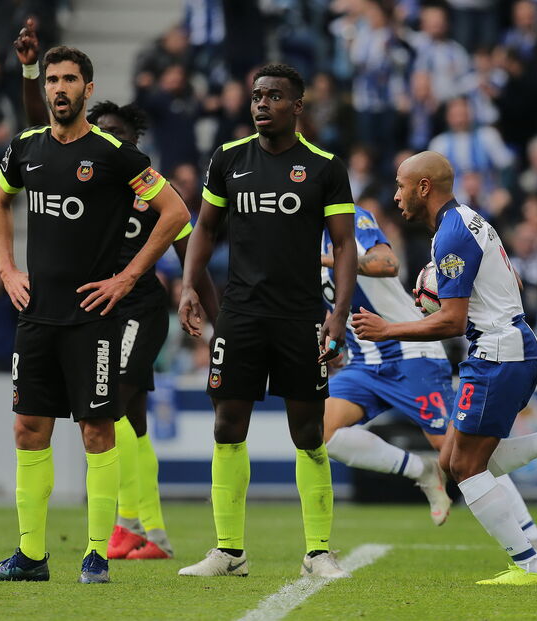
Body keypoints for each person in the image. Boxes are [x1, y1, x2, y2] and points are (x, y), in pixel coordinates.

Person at [0, 46, 190, 584]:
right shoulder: (25, 148)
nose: (60, 88)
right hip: (36, 316)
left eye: (70, 79)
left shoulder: (114, 153)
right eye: (52, 80)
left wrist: (127, 277)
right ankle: (29, 556)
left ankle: (96, 554)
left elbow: (177, 212)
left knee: (97, 430)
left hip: (92, 318)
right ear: (44, 88)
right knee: (28, 428)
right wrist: (6, 268)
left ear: (88, 90)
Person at [14, 20, 219, 561]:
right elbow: (41, 135)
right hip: (92, 307)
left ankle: (127, 525)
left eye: (119, 136)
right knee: (133, 420)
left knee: (117, 406)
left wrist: (196, 297)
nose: (110, 142)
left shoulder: (127, 173)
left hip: (136, 306)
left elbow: (182, 235)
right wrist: (30, 73)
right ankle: (150, 528)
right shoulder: (76, 164)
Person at [353, 152, 537, 586]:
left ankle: (527, 564)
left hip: (498, 353)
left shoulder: (451, 235)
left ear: (425, 186)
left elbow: (450, 321)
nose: (395, 196)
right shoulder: (468, 220)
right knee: (454, 460)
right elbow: (511, 282)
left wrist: (388, 329)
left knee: (466, 468)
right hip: (502, 347)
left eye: (401, 186)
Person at [177, 63, 358, 579]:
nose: (261, 103)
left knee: (307, 432)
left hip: (301, 317)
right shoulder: (229, 160)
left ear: (297, 107)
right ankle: (228, 552)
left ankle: (318, 552)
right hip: (240, 316)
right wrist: (190, 285)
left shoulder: (324, 166)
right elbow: (204, 229)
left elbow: (344, 244)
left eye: (274, 96)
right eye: (257, 95)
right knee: (227, 425)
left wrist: (338, 315)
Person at [320, 205, 537, 564]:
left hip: (410, 353)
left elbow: (387, 264)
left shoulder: (350, 218)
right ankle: (421, 470)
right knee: (317, 433)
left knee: (462, 455)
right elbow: (331, 305)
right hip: (364, 361)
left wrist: (329, 259)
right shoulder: (294, 246)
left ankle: (532, 536)